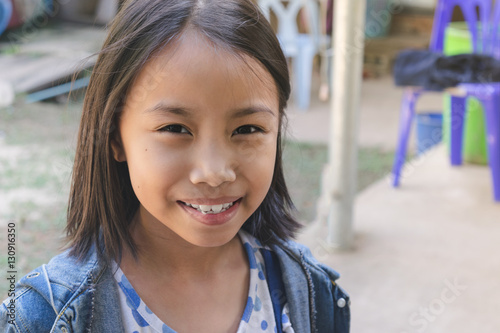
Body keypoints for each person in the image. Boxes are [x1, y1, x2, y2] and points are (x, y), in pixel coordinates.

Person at [0, 0, 350, 332]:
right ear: (115, 136)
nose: (213, 172)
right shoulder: (44, 316)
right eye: (175, 129)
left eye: (247, 129)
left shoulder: (310, 296)